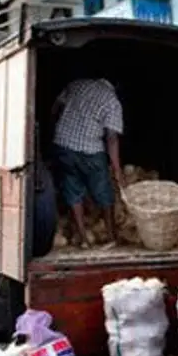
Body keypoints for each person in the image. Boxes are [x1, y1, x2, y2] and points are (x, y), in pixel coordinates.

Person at [52, 77, 124, 249]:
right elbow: (112, 139)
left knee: (72, 190)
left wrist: (54, 128)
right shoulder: (112, 101)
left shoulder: (76, 84)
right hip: (91, 150)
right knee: (104, 193)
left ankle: (84, 239)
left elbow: (56, 107)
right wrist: (116, 169)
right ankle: (111, 237)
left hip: (64, 145)